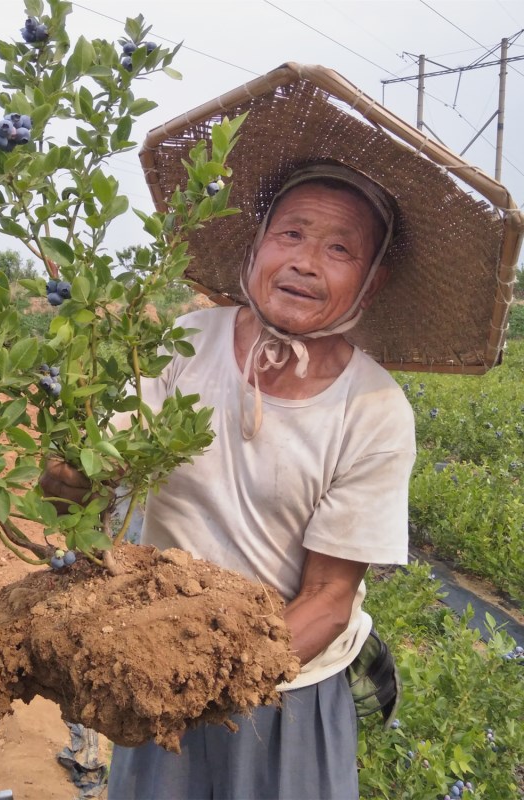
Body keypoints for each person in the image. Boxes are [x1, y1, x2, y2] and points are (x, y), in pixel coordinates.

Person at [41, 66, 519, 799]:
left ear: (372, 281)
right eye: (291, 233)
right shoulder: (186, 341)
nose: (303, 260)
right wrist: (72, 479)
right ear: (256, 245)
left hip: (284, 684)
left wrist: (201, 686)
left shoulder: (373, 410)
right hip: (160, 651)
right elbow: (101, 480)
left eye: (338, 249)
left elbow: (327, 600)